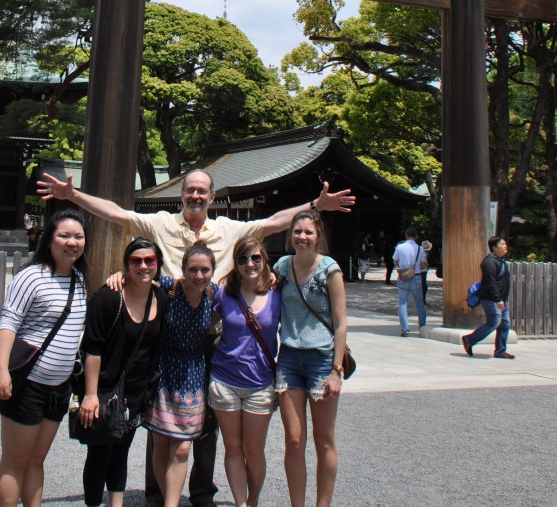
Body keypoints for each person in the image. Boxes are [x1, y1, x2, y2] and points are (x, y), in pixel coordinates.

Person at [38, 167, 355, 507]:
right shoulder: (160, 223)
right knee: (159, 421)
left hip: (213, 337)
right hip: (168, 335)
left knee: (207, 420)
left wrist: (316, 205)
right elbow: (116, 213)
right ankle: (157, 494)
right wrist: (73, 196)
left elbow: (276, 222)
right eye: (190, 190)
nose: (195, 196)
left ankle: (202, 491)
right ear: (182, 193)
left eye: (202, 191)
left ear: (212, 197)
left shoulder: (228, 229)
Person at [0, 209, 89, 507]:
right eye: (64, 235)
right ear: (49, 240)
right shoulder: (32, 277)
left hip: (59, 387)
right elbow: (9, 322)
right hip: (28, 383)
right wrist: (1, 370)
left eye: (78, 236)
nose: (71, 242)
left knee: (36, 459)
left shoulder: (79, 279)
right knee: (15, 461)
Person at [78, 238, 168, 507]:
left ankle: (116, 504)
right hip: (105, 390)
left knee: (121, 452)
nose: (143, 265)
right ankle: (94, 503)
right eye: (135, 261)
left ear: (158, 265)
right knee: (100, 453)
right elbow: (92, 349)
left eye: (149, 260)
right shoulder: (107, 298)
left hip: (137, 390)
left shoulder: (160, 297)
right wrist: (90, 394)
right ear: (126, 265)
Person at [273, 209, 347, 507]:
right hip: (289, 357)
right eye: (297, 232)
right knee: (293, 439)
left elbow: (341, 323)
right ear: (290, 235)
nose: (302, 237)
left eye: (308, 232)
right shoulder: (281, 267)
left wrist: (336, 371)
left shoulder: (330, 270)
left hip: (321, 358)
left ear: (318, 236)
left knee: (323, 438)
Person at [145, 243, 218, 507]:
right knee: (161, 443)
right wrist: (117, 275)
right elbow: (138, 277)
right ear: (183, 269)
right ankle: (169, 501)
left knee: (184, 446)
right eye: (193, 269)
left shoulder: (214, 293)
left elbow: (246, 291)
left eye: (205, 270)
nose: (199, 275)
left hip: (194, 373)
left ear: (213, 271)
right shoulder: (168, 287)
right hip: (165, 370)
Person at [211, 236, 280, 507]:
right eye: (242, 259)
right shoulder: (223, 293)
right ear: (236, 264)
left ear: (264, 259)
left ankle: (253, 501)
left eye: (255, 258)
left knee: (254, 450)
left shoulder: (277, 293)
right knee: (233, 447)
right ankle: (241, 503)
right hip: (224, 380)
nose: (250, 264)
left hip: (260, 382)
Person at [461, 236, 514, 360]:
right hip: (491, 299)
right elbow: (491, 282)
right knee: (494, 322)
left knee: (504, 324)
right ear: (494, 248)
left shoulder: (500, 261)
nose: (505, 245)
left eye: (505, 243)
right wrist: (497, 299)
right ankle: (469, 339)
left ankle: (501, 350)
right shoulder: (489, 262)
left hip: (501, 299)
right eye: (502, 244)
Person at [393, 227, 427, 337]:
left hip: (403, 276)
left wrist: (400, 267)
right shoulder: (420, 249)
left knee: (402, 303)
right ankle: (422, 326)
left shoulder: (399, 247)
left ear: (406, 235)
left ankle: (405, 329)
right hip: (416, 276)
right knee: (419, 303)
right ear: (416, 237)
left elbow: (395, 261)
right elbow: (422, 265)